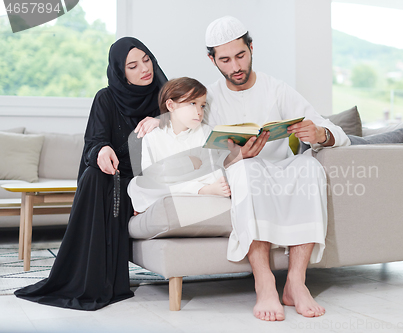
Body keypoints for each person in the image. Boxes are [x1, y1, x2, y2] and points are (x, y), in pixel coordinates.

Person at [204, 16, 351, 321]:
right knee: (247, 170)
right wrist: (238, 157)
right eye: (226, 60)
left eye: (241, 56)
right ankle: (265, 282)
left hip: (281, 170)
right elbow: (204, 160)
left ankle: (296, 283)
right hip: (244, 172)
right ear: (212, 60)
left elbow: (334, 130)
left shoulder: (277, 89)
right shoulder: (209, 99)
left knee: (310, 167)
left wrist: (320, 134)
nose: (235, 67)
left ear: (252, 48)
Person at [14, 37, 167, 311]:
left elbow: (192, 121)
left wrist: (161, 120)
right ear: (121, 72)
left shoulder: (166, 99)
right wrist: (102, 151)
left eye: (147, 60)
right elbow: (94, 142)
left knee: (107, 182)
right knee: (95, 176)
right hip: (114, 177)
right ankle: (89, 280)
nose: (144, 68)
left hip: (147, 182)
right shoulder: (106, 98)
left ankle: (104, 280)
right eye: (133, 65)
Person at [128, 77, 230, 214]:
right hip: (174, 185)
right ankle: (199, 191)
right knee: (135, 184)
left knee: (217, 175)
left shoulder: (205, 132)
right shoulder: (153, 136)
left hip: (185, 184)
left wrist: (170, 172)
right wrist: (189, 163)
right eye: (192, 103)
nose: (199, 112)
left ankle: (192, 192)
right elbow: (150, 174)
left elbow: (210, 170)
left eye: (202, 106)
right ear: (171, 106)